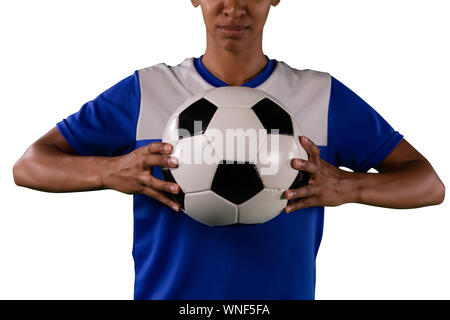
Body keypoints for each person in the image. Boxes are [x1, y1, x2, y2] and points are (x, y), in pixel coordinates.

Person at [12, 0, 445, 300]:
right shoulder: (148, 90)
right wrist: (109, 171)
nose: (234, 7)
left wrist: (349, 187)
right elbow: (30, 165)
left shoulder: (320, 95)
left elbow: (428, 183)